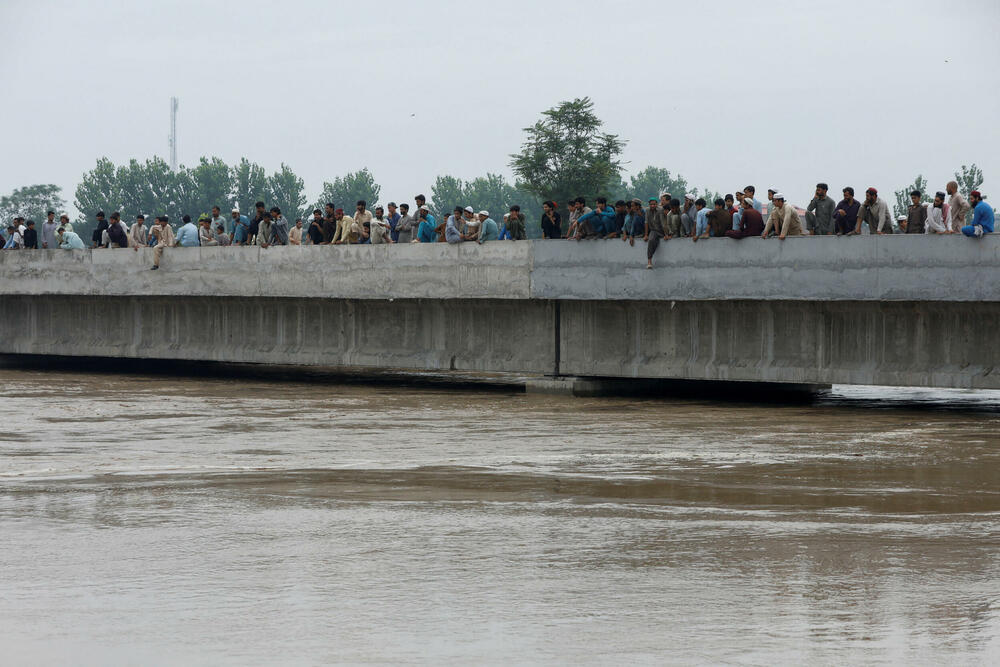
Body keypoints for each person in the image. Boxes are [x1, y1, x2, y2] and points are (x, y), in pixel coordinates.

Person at [644, 198, 667, 269]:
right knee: (651, 240)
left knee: (654, 240)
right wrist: (646, 235)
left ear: (656, 204)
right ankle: (649, 260)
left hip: (661, 230)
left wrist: (666, 234)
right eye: (651, 204)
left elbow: (663, 223)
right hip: (653, 230)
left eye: (654, 204)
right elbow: (646, 222)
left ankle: (650, 259)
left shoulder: (660, 210)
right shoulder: (647, 210)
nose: (652, 206)